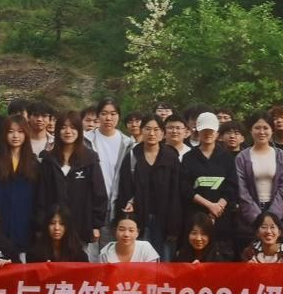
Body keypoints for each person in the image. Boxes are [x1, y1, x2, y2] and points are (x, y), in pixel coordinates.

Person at [37, 111, 109, 258]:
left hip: (81, 225)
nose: (68, 131)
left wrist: (96, 225)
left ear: (79, 131)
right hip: (54, 229)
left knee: (80, 267)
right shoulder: (49, 160)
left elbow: (99, 193)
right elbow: (41, 196)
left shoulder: (89, 159)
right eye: (63, 127)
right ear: (57, 131)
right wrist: (41, 224)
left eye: (73, 127)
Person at [117, 114, 181, 261]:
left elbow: (176, 193)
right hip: (139, 218)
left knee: (164, 261)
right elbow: (125, 189)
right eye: (147, 129)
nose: (152, 133)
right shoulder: (132, 157)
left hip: (165, 219)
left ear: (162, 133)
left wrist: (175, 224)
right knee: (141, 261)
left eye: (156, 129)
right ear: (141, 131)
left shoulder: (171, 157)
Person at [180, 112, 238, 259]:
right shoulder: (188, 157)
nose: (207, 134)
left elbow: (232, 186)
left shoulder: (227, 157)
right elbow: (185, 187)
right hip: (196, 216)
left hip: (221, 216)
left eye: (211, 130)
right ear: (197, 131)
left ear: (217, 132)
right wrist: (209, 205)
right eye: (204, 130)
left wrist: (218, 206)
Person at [234, 113, 283, 256]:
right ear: (251, 130)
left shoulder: (281, 156)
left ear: (272, 130)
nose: (262, 132)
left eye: (266, 128)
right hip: (249, 217)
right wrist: (258, 220)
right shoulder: (242, 157)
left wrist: (271, 220)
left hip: (277, 214)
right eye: (257, 128)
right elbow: (242, 190)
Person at [0, 114, 40, 251]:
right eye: (11, 131)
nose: (15, 136)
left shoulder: (34, 164)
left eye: (20, 131)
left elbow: (39, 198)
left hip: (25, 225)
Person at [85, 98, 134, 240]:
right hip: (90, 205)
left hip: (116, 206)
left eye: (113, 114)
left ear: (119, 116)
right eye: (104, 113)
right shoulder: (85, 141)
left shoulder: (128, 143)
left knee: (111, 250)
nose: (108, 118)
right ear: (98, 116)